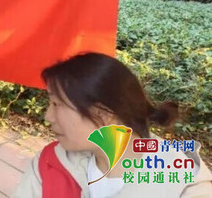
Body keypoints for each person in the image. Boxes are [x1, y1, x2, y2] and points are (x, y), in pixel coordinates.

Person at [14, 52, 212, 198]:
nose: (48, 116)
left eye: (57, 104)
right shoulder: (49, 163)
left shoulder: (186, 184)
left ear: (103, 113)